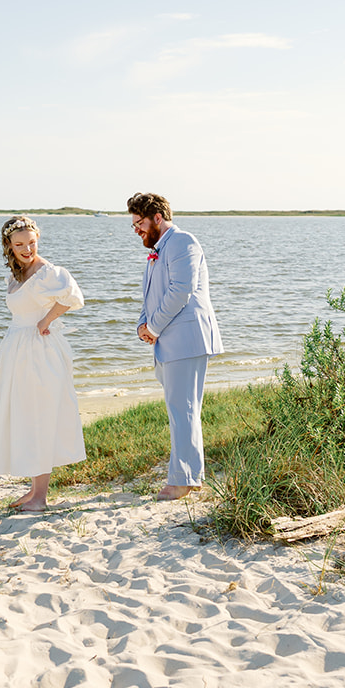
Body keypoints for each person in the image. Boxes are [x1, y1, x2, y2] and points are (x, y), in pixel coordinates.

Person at [0, 215, 87, 511]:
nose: (28, 249)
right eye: (20, 244)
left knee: (40, 417)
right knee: (25, 418)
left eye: (32, 242)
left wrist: (46, 319)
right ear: (9, 246)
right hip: (17, 351)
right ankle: (33, 491)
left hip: (39, 353)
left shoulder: (47, 272)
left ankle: (41, 497)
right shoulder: (17, 275)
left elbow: (73, 297)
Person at [128, 192, 223, 500]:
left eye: (140, 223)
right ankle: (190, 477)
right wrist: (143, 325)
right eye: (134, 225)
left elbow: (181, 291)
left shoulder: (183, 242)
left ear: (158, 217)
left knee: (183, 410)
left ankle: (181, 481)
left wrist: (153, 327)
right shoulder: (159, 250)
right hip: (169, 341)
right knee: (181, 410)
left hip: (186, 338)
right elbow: (152, 295)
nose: (137, 230)